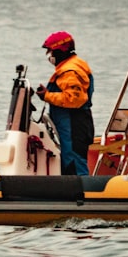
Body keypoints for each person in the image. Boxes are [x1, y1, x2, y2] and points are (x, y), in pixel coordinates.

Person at [36, 31, 94, 175]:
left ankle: (82, 193)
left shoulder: (70, 70)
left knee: (74, 162)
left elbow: (74, 99)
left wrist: (48, 96)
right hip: (75, 123)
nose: (49, 56)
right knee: (71, 160)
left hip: (73, 124)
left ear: (60, 50)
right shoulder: (75, 64)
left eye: (50, 51)